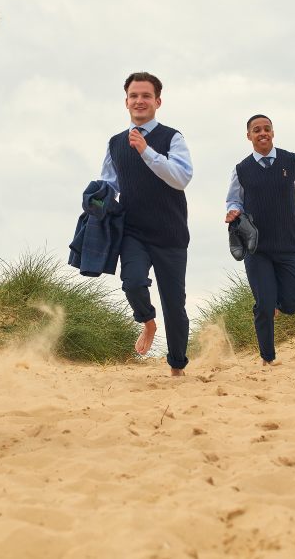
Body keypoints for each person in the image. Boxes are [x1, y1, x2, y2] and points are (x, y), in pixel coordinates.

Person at [100, 72, 193, 375]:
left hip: (171, 233)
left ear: (158, 101)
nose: (139, 101)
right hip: (133, 231)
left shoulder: (172, 137)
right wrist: (96, 201)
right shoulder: (115, 143)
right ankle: (148, 322)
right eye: (134, 96)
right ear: (126, 101)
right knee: (133, 282)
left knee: (175, 307)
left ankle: (177, 367)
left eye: (146, 96)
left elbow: (181, 178)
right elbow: (109, 185)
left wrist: (146, 150)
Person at [224, 114, 295, 364]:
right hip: (255, 247)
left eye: (267, 129)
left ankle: (274, 302)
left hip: (287, 243)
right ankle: (268, 359)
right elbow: (233, 199)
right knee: (265, 306)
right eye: (257, 130)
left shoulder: (291, 160)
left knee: (290, 304)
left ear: (273, 132)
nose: (262, 133)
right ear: (249, 136)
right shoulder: (241, 170)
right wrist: (233, 210)